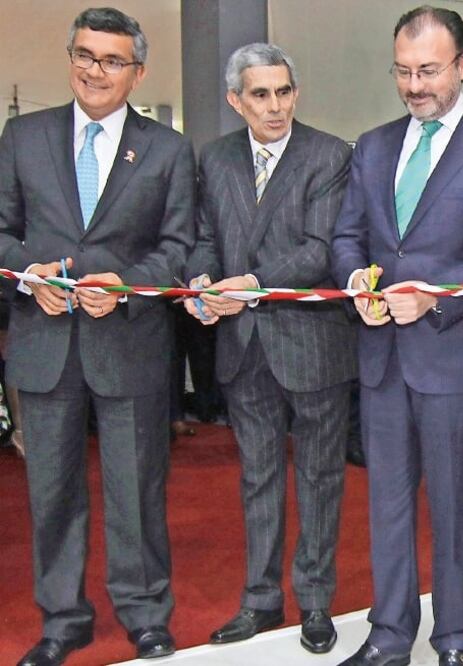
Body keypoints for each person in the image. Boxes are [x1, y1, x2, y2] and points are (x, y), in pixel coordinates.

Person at [331, 6, 463, 666]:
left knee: (452, 508)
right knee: (386, 507)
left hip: (455, 359)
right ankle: (389, 637)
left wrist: (432, 294)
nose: (415, 86)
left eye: (429, 71)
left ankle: (452, 639)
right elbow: (346, 235)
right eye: (404, 72)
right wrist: (357, 279)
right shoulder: (374, 145)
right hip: (383, 356)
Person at [0, 8, 195, 664]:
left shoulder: (167, 149)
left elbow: (178, 248)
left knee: (136, 490)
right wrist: (26, 276)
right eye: (84, 54)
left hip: (129, 344)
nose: (94, 70)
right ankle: (63, 620)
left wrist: (129, 283)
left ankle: (144, 613)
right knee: (51, 491)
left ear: (137, 72)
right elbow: (0, 232)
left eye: (112, 60)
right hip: (44, 341)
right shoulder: (23, 136)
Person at [184, 43, 356, 655]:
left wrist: (251, 285)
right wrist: (201, 281)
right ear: (236, 100)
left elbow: (321, 250)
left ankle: (314, 602)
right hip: (243, 346)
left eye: (284, 91)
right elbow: (204, 239)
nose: (275, 105)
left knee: (318, 477)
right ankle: (260, 601)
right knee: (257, 478)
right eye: (260, 94)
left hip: (311, 345)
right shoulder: (218, 158)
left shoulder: (331, 155)